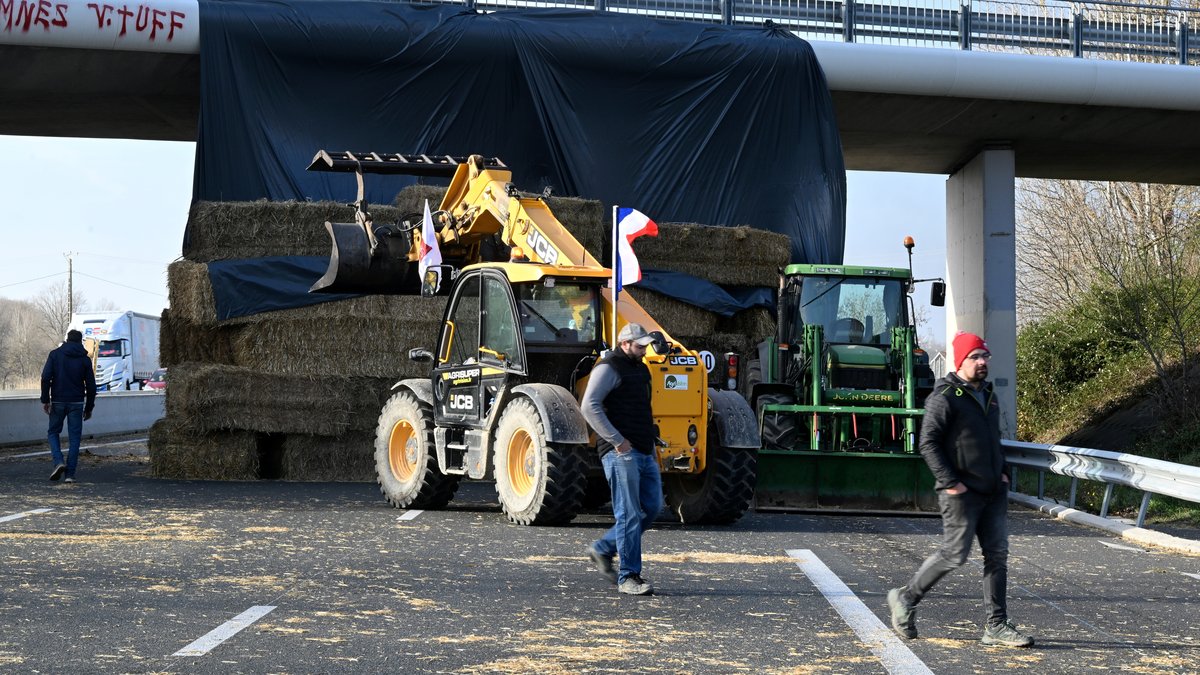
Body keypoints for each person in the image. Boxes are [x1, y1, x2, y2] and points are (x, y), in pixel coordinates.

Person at [886, 331, 1034, 648]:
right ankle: (905, 599)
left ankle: (996, 626)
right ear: (961, 361)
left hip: (993, 491)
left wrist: (1004, 473)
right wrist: (951, 482)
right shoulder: (944, 397)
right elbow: (928, 443)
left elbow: (994, 440)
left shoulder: (989, 395)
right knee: (954, 555)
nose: (982, 362)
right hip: (961, 494)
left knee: (997, 556)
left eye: (984, 356)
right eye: (975, 357)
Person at [581, 322, 662, 596]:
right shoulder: (609, 367)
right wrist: (617, 440)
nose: (644, 350)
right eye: (639, 346)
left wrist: (651, 443)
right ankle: (628, 577)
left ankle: (603, 548)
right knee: (628, 514)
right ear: (624, 344)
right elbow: (589, 406)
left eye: (645, 346)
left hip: (643, 449)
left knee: (651, 508)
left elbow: (642, 408)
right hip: (620, 452)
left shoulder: (641, 368)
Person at [40, 329, 97, 484]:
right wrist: (89, 408)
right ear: (80, 341)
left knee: (53, 432)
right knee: (75, 438)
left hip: (58, 401)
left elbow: (45, 377)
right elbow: (91, 386)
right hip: (77, 403)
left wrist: (45, 400)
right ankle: (70, 475)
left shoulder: (55, 355)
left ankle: (58, 461)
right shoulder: (85, 359)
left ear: (66, 339)